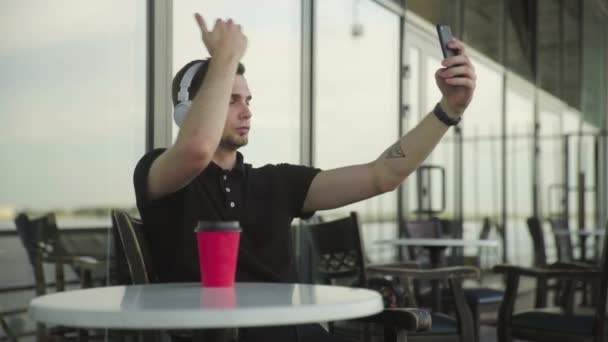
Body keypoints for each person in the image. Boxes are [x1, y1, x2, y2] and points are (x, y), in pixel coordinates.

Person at [133, 13, 476, 342]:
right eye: (230, 99)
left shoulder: (278, 182)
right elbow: (195, 151)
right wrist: (226, 56)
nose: (247, 110)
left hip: (300, 332)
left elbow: (383, 175)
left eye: (248, 99)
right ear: (187, 113)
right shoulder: (160, 174)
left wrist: (449, 111)